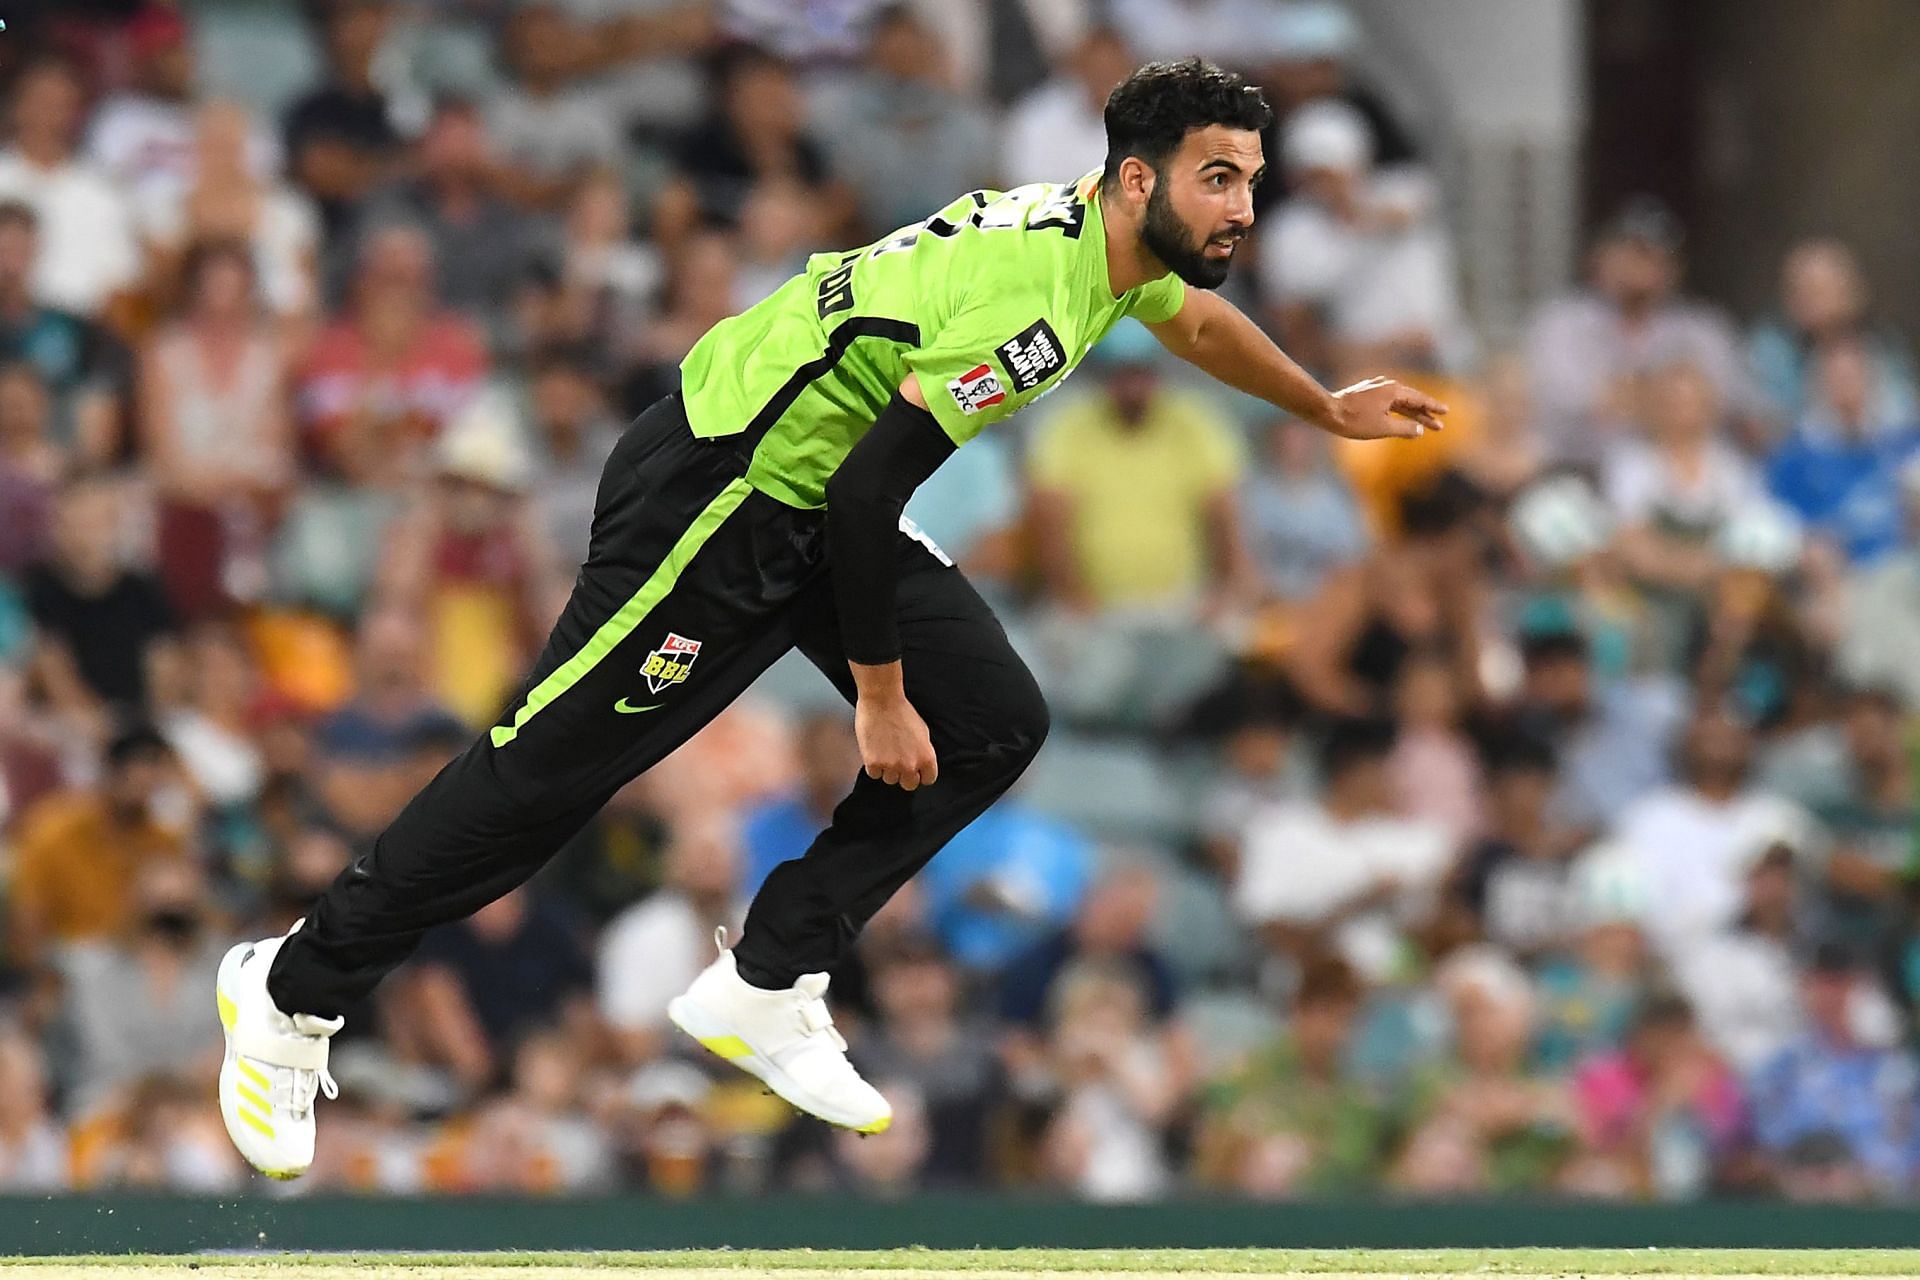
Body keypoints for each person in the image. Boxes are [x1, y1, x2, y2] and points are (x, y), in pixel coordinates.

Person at [213, 56, 1447, 1180]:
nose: (1243, 207)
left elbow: (1190, 317)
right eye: (1219, 178)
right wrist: (877, 694)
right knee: (543, 778)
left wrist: (1321, 405)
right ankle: (288, 987)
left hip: (812, 490)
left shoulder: (1108, 241)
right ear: (1140, 179)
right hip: (727, 490)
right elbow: (868, 494)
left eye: (1250, 180)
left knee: (999, 718)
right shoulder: (1029, 304)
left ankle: (769, 971)